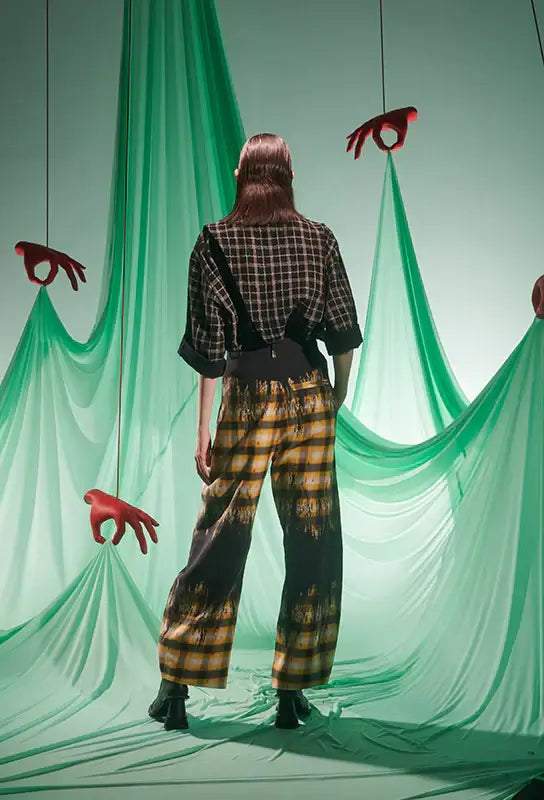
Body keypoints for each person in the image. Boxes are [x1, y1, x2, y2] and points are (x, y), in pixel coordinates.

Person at [148, 133, 363, 731]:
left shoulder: (213, 242)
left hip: (244, 398)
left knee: (219, 535)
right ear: (289, 177)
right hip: (309, 397)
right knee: (313, 537)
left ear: (240, 176)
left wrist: (202, 434)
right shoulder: (320, 239)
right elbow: (344, 332)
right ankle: (292, 690)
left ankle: (176, 688)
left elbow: (209, 355)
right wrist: (337, 394)